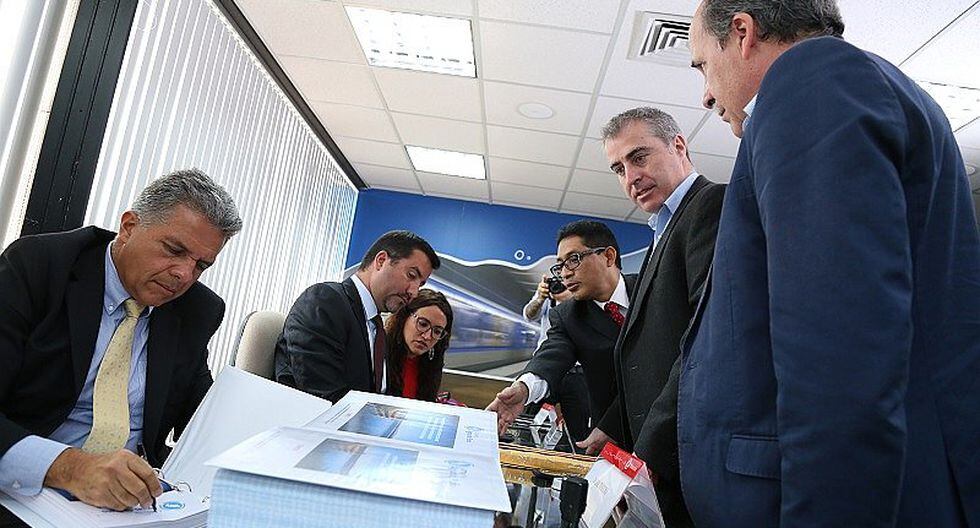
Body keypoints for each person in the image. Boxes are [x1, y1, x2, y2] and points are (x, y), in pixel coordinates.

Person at [680, 1, 980, 527]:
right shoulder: (857, 85)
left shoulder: (811, 81)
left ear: (743, 32)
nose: (706, 93)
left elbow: (838, 345)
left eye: (703, 64)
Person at [0, 169, 241, 521]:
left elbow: (201, 414)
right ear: (128, 227)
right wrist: (70, 468)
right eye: (174, 250)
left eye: (201, 265)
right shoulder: (39, 266)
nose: (184, 275)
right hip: (28, 491)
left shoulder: (196, 309)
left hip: (134, 503)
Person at [600, 107, 724, 527]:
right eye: (619, 168)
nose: (630, 178)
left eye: (639, 157)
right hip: (662, 456)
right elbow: (651, 349)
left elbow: (703, 341)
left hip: (685, 456)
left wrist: (650, 451)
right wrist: (614, 431)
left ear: (678, 146)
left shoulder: (710, 207)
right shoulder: (662, 229)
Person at [487, 220, 635, 453]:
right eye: (560, 265)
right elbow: (551, 356)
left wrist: (613, 426)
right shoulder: (568, 315)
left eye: (574, 259)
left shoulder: (654, 290)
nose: (565, 273)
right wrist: (523, 389)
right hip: (609, 442)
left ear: (608, 256)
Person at [275, 230, 440, 403]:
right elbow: (325, 395)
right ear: (381, 261)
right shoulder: (324, 301)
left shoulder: (376, 327)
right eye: (411, 275)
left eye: (420, 285)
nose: (414, 292)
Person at [521, 275, 591, 441]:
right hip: (546, 368)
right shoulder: (549, 292)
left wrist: (572, 297)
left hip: (577, 371)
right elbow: (529, 315)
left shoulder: (585, 290)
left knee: (577, 430)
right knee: (528, 421)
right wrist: (540, 298)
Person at [384, 289, 453, 402]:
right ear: (405, 317)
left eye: (437, 331)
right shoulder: (378, 352)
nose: (427, 336)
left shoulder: (431, 366)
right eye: (423, 324)